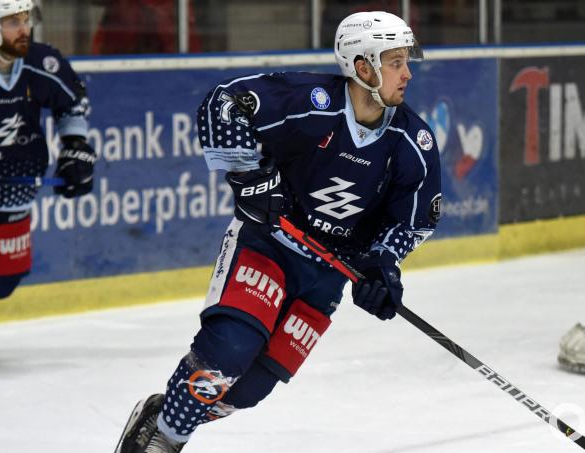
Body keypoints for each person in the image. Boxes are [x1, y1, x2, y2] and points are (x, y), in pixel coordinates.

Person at [114, 10, 442, 453]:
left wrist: (383, 265)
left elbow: (416, 219)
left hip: (328, 274)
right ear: (362, 68)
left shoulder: (412, 142)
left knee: (250, 389)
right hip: (269, 245)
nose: (407, 73)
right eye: (395, 61)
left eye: (407, 61)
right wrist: (249, 176)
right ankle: (164, 438)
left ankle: (170, 408)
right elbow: (222, 103)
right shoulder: (309, 100)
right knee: (228, 352)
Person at [0, 0, 95, 299]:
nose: (25, 29)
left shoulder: (43, 63)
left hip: (11, 184)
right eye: (13, 22)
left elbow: (72, 107)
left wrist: (74, 148)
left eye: (27, 20)